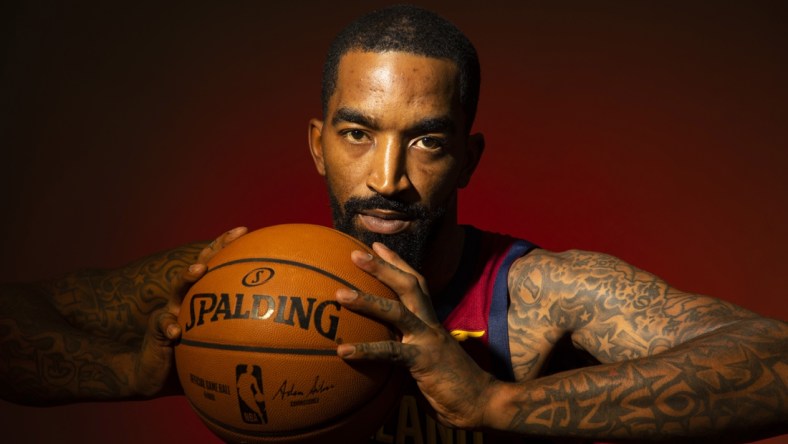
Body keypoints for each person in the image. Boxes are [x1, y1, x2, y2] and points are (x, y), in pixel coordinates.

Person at [1, 4, 786, 443]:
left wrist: (493, 403)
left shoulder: (539, 293)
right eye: (357, 133)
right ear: (317, 146)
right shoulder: (233, 280)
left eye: (427, 141)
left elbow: (776, 360)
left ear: (469, 158)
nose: (386, 178)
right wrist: (123, 375)